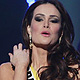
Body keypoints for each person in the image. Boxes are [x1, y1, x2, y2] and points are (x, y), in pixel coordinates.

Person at [0, 0, 80, 80]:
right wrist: (21, 67)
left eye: (53, 21)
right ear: (29, 29)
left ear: (61, 32)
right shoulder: (8, 70)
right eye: (39, 19)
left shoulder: (74, 72)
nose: (46, 25)